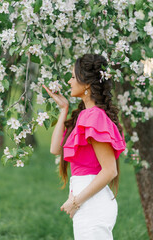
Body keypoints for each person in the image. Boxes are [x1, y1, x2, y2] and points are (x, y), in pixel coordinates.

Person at [42, 54, 126, 240]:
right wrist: (64, 109)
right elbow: (55, 149)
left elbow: (110, 170)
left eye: (73, 76)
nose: (70, 81)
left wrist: (76, 201)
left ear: (87, 83)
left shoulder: (94, 117)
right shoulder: (85, 115)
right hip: (88, 201)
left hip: (91, 203)